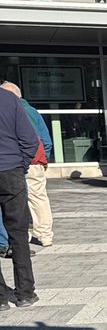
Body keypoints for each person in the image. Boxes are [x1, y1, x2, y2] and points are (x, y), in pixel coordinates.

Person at [0, 84, 39, 311]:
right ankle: (25, 293)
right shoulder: (10, 99)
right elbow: (30, 140)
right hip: (11, 171)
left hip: (12, 167)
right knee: (19, 234)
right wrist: (20, 165)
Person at [0, 82, 53, 248]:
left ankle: (21, 237)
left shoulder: (10, 109)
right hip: (33, 160)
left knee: (15, 204)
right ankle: (45, 235)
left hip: (14, 163)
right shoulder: (32, 110)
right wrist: (43, 158)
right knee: (38, 198)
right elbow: (45, 139)